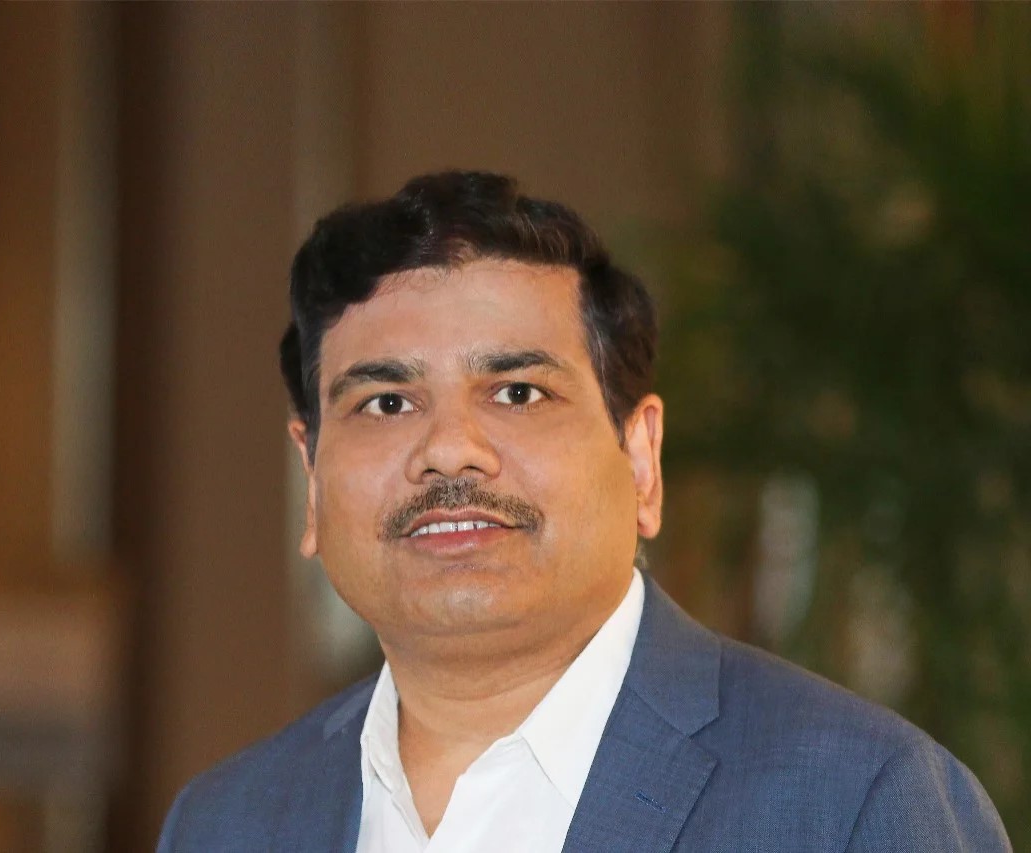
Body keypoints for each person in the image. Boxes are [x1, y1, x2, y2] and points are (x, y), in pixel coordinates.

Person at [156, 171, 1010, 851]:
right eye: (386, 403)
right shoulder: (227, 823)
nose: (449, 449)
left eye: (517, 392)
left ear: (641, 459)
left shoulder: (854, 803)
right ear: (311, 480)